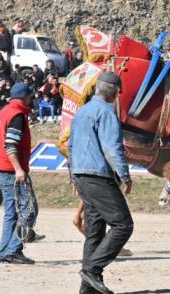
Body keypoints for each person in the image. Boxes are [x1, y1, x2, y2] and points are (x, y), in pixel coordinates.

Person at [68, 72, 134, 294]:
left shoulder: (82, 112)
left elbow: (70, 147)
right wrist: (125, 175)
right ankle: (92, 270)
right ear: (115, 93)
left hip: (81, 175)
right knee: (123, 225)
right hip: (98, 175)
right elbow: (111, 148)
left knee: (95, 231)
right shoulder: (106, 113)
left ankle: (87, 290)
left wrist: (73, 176)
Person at [0, 83, 37, 264]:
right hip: (11, 170)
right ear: (25, 97)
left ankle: (4, 252)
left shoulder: (5, 111)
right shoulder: (17, 115)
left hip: (0, 167)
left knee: (11, 211)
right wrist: (18, 169)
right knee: (28, 209)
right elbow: (10, 145)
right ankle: (12, 250)